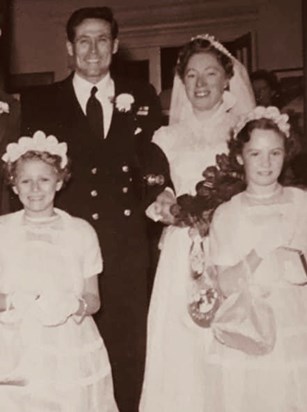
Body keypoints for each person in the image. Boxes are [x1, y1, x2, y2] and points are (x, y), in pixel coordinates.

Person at [20, 7, 163, 412]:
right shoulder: (43, 101)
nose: (93, 49)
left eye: (102, 39)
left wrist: (161, 194)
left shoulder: (143, 95)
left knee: (128, 350)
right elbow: (32, 175)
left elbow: (152, 160)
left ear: (116, 46)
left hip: (126, 244)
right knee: (67, 350)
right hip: (68, 245)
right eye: (84, 40)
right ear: (69, 48)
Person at [140, 34, 255, 411]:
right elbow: (156, 188)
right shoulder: (166, 136)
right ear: (181, 82)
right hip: (182, 249)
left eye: (209, 73)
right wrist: (164, 203)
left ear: (227, 78)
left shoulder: (245, 132)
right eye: (191, 75)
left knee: (229, 336)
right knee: (180, 342)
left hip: (231, 246)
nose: (200, 83)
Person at [0, 130, 118, 411]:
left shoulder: (80, 231)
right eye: (25, 181)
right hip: (13, 345)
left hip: (68, 346)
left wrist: (73, 304)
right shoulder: (3, 230)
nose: (35, 189)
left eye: (44, 179)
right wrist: (13, 301)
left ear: (59, 182)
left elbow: (94, 299)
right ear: (14, 186)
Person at [204, 106, 307, 412]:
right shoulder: (228, 213)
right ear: (240, 157)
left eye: (274, 153)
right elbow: (223, 285)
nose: (266, 163)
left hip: (296, 317)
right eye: (255, 154)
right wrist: (258, 252)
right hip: (251, 322)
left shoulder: (301, 202)